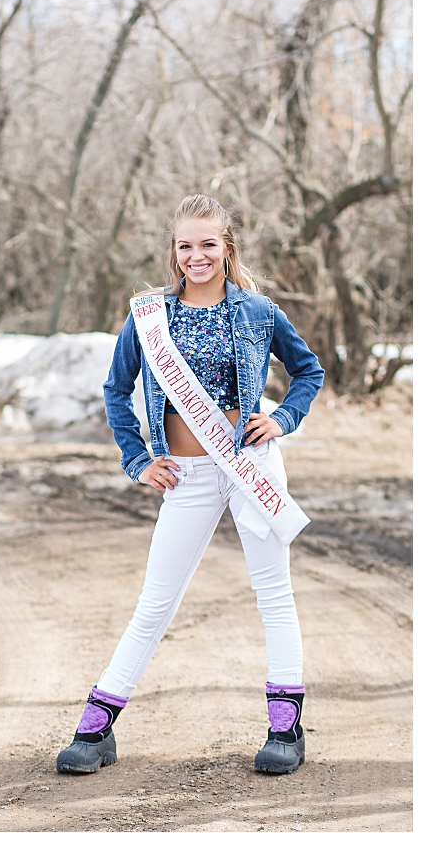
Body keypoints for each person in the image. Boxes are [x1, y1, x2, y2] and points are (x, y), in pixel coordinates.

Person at [55, 195, 323, 777]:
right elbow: (115, 388)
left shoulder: (258, 310)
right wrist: (136, 458)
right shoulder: (149, 318)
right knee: (155, 601)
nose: (196, 255)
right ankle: (97, 727)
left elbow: (309, 371)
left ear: (227, 247)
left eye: (208, 244)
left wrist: (282, 418)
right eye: (185, 245)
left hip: (250, 464)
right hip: (187, 473)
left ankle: (286, 726)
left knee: (272, 592)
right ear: (173, 252)